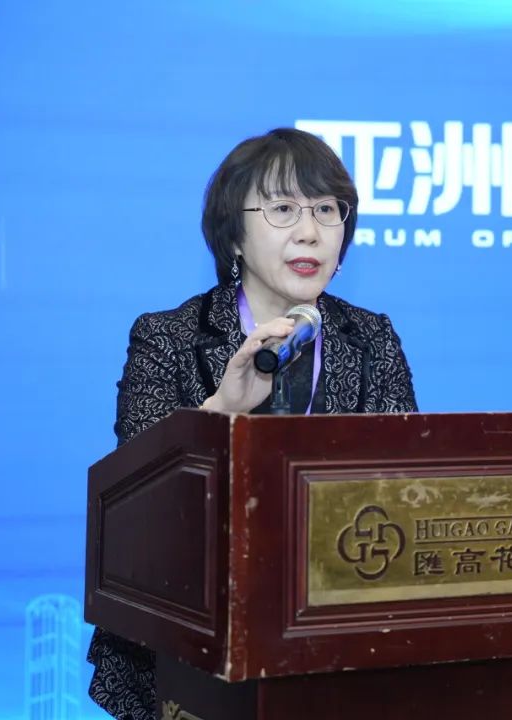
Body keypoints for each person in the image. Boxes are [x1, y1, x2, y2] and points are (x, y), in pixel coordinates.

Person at [86, 127, 418, 719]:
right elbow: (135, 502)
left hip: (336, 641)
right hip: (188, 647)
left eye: (326, 210)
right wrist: (222, 409)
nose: (310, 231)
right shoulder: (169, 338)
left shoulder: (371, 338)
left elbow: (407, 487)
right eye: (283, 209)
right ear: (233, 236)